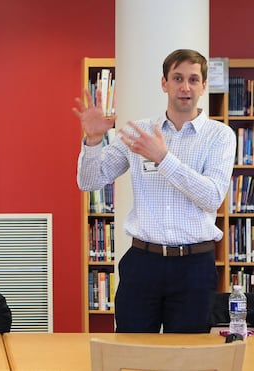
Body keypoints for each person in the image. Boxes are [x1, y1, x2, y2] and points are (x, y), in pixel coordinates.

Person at [74, 49, 236, 333]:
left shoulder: (220, 136)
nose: (185, 87)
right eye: (177, 78)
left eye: (193, 79)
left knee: (186, 356)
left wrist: (164, 159)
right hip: (143, 263)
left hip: (194, 266)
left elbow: (212, 196)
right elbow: (90, 182)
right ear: (164, 84)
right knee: (131, 351)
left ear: (203, 86)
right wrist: (93, 140)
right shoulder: (139, 132)